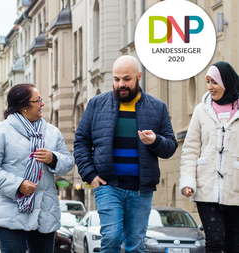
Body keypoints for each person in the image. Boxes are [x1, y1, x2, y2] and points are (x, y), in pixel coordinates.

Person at [73, 55, 178, 252]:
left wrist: (155, 141)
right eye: (116, 79)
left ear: (139, 77)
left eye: (126, 79)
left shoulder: (157, 107)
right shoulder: (97, 105)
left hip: (141, 189)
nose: (121, 84)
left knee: (135, 245)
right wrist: (90, 175)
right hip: (108, 185)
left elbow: (171, 146)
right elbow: (81, 142)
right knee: (111, 238)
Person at [0, 83, 74, 253]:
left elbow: (68, 163)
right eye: (38, 100)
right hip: (10, 208)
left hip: (45, 210)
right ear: (23, 106)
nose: (42, 104)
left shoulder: (51, 132)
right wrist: (19, 185)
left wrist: (53, 159)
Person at [180, 61, 239, 252]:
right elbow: (190, 149)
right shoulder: (201, 110)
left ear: (226, 82)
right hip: (206, 188)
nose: (210, 87)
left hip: (235, 188)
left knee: (234, 244)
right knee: (214, 240)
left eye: (214, 82)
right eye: (207, 81)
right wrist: (188, 181)